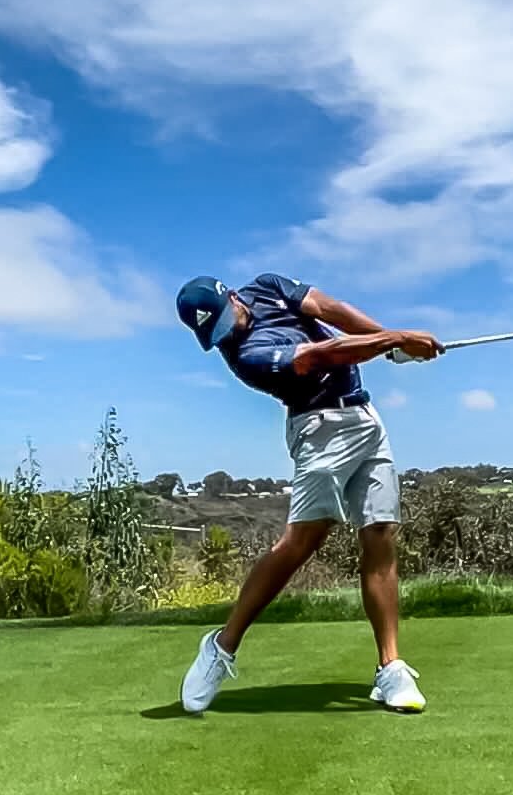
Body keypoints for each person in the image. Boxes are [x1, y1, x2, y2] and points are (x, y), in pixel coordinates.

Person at [174, 272, 443, 714]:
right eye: (216, 332)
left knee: (380, 532)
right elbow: (322, 354)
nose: (228, 332)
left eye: (227, 319)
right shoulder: (246, 356)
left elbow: (331, 310)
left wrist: (387, 340)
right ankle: (221, 648)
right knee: (302, 541)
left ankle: (390, 666)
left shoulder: (269, 287)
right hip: (318, 431)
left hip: (365, 419)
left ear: (234, 297)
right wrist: (396, 340)